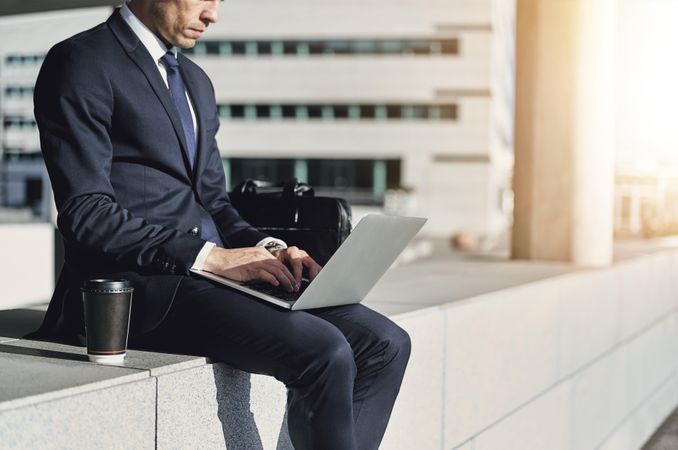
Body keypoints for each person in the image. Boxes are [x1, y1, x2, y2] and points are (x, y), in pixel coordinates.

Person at [31, 1, 411, 449]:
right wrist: (210, 258)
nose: (213, 15)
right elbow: (86, 212)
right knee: (324, 350)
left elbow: (214, 202)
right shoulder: (82, 61)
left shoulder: (195, 81)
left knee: (386, 342)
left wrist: (272, 249)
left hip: (213, 279)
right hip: (143, 289)